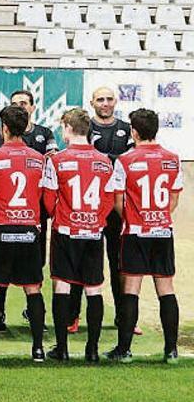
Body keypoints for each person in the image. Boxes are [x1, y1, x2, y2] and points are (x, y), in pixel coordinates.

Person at [106, 108, 183, 364]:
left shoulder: (125, 160)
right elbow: (173, 199)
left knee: (131, 288)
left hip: (135, 232)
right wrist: (157, 217)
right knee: (166, 288)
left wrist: (134, 218)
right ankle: (171, 351)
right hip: (162, 230)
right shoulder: (173, 159)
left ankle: (124, 350)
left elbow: (118, 200)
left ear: (134, 131)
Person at [42, 108, 114, 363]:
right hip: (94, 233)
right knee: (94, 289)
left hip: (66, 231)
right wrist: (95, 220)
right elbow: (108, 199)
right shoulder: (105, 161)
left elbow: (49, 200)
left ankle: (61, 348)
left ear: (68, 128)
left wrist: (63, 217)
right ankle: (92, 350)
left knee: (62, 285)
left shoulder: (57, 160)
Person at [0, 105, 47, 362]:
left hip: (0, 229)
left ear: (3, 128)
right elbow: (43, 194)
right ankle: (38, 349)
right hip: (29, 229)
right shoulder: (39, 160)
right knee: (32, 288)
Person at [0, 90, 57, 331]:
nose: (20, 106)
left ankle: (33, 314)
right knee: (3, 269)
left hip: (34, 211)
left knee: (33, 266)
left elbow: (52, 162)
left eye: (23, 103)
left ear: (32, 107)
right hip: (11, 210)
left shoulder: (45, 133)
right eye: (15, 103)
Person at [78, 86, 139, 336]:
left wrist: (104, 159)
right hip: (89, 205)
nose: (105, 103)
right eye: (100, 99)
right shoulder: (85, 129)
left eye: (109, 99)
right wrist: (113, 159)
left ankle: (125, 318)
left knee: (119, 262)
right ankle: (73, 316)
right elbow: (84, 159)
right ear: (92, 103)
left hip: (117, 205)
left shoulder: (126, 128)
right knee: (83, 260)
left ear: (116, 102)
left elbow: (131, 159)